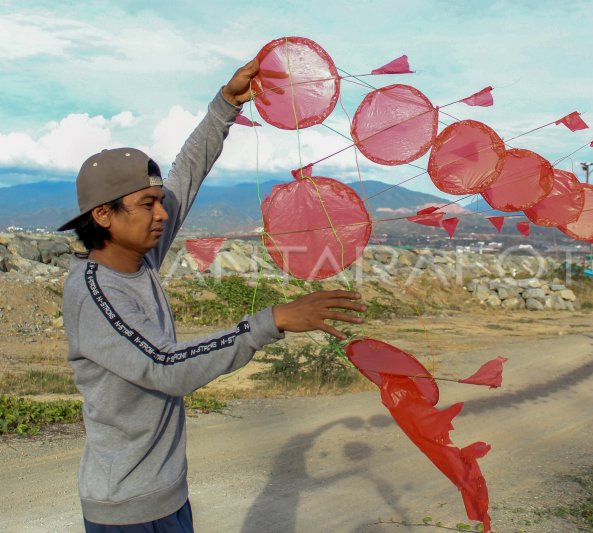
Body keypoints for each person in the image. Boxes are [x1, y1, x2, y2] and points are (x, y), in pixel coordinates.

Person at [59, 57, 366, 532]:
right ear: (103, 215)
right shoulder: (95, 294)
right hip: (126, 510)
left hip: (165, 496)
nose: (161, 213)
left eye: (159, 202)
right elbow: (166, 368)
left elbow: (185, 175)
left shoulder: (138, 258)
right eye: (146, 204)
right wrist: (272, 321)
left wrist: (225, 105)